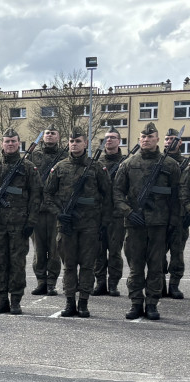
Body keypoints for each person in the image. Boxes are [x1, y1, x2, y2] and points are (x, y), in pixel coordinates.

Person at [113, 121, 181, 321]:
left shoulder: (170, 165)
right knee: (135, 267)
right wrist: (127, 212)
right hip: (135, 224)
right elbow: (117, 193)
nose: (146, 139)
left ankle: (152, 303)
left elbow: (176, 197)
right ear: (139, 139)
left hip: (159, 224)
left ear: (157, 139)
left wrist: (173, 224)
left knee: (156, 267)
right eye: (143, 137)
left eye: (150, 137)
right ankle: (136, 302)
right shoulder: (128, 164)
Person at [0, 128, 42, 314]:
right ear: (2, 144)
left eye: (13, 141)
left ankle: (16, 300)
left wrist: (31, 222)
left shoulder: (28, 167)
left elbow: (36, 196)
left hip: (20, 224)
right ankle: (1, 299)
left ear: (19, 143)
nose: (10, 144)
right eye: (7, 141)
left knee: (17, 262)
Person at [43, 130, 111, 317]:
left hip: (90, 224)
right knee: (69, 266)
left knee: (87, 266)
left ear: (85, 143)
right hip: (67, 225)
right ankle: (70, 302)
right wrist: (59, 214)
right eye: (71, 141)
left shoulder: (96, 167)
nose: (74, 144)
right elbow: (47, 195)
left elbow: (108, 196)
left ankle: (83, 302)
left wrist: (104, 222)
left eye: (78, 141)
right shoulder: (60, 167)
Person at [29, 125, 65, 296]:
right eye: (47, 133)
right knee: (39, 250)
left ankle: (51, 283)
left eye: (53, 133)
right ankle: (41, 282)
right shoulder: (32, 156)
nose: (49, 135)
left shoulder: (65, 156)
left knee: (55, 249)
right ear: (43, 137)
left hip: (55, 211)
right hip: (36, 210)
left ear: (58, 137)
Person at [93, 127, 126, 297]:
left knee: (114, 251)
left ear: (119, 141)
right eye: (106, 138)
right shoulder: (96, 163)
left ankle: (113, 284)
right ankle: (100, 282)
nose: (109, 140)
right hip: (98, 213)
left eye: (113, 137)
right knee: (98, 250)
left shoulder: (126, 162)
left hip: (117, 214)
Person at [162, 127, 187, 298]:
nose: (170, 141)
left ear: (180, 143)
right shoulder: (158, 161)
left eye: (173, 138)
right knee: (157, 253)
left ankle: (174, 285)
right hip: (160, 214)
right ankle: (160, 284)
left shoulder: (187, 163)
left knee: (177, 253)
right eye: (167, 138)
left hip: (180, 216)